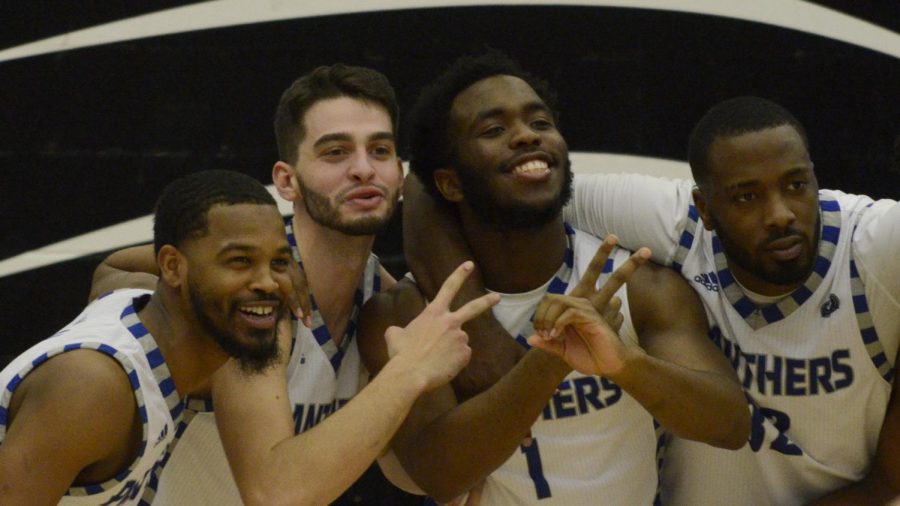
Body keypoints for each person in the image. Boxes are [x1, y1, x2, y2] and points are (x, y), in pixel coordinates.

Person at [412, 94, 900, 504]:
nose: (780, 215)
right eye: (746, 197)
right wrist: (484, 335)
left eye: (796, 186)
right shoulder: (672, 223)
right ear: (705, 209)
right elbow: (423, 190)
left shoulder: (876, 242)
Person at [91, 65, 499, 505]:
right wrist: (408, 372)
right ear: (287, 181)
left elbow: (405, 473)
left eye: (379, 150)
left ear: (399, 176)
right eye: (335, 153)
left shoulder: (380, 300)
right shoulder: (250, 297)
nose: (363, 169)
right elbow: (273, 494)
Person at [357, 51, 749, 505]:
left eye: (539, 123)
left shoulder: (635, 285)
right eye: (493, 130)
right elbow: (440, 476)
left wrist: (625, 363)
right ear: (450, 184)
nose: (525, 136)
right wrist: (550, 360)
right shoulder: (406, 315)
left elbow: (730, 425)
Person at [0, 169, 297, 504]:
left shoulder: (125, 299)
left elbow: (113, 264)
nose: (269, 283)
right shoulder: (94, 386)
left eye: (279, 262)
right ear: (171, 267)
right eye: (240, 260)